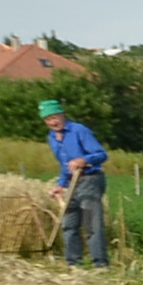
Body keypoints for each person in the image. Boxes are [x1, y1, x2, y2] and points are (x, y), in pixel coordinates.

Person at [40, 100, 109, 267]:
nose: (52, 122)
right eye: (48, 119)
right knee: (69, 223)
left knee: (92, 224)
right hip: (72, 182)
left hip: (90, 179)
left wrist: (83, 160)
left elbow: (101, 154)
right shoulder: (52, 137)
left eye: (54, 117)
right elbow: (65, 166)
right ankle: (73, 263)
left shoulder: (79, 130)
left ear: (62, 115)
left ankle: (100, 264)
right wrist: (61, 185)